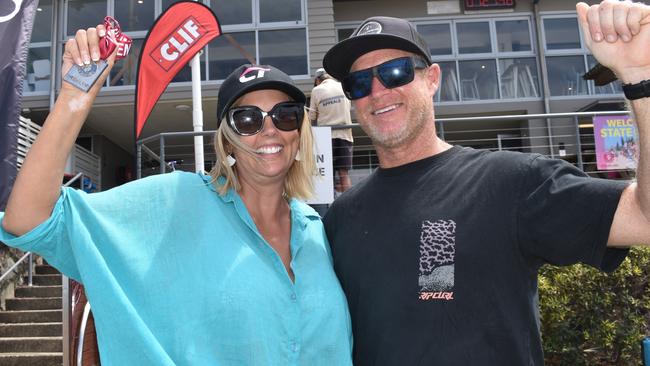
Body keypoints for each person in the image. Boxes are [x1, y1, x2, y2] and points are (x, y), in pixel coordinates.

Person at [0, 24, 352, 365]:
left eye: (285, 115)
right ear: (227, 139)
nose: (269, 130)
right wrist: (74, 98)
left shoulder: (316, 230)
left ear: (300, 132)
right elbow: (28, 219)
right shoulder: (176, 202)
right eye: (247, 119)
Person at [321, 1, 650, 365]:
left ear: (432, 79)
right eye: (359, 83)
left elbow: (644, 218)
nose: (377, 92)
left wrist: (640, 80)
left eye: (395, 72)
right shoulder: (340, 218)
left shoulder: (511, 182)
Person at [309, 68, 354, 195]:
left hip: (325, 137)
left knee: (327, 174)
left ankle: (330, 208)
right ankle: (349, 204)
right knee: (344, 173)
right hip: (345, 134)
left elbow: (312, 117)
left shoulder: (317, 90)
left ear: (318, 80)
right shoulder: (342, 86)